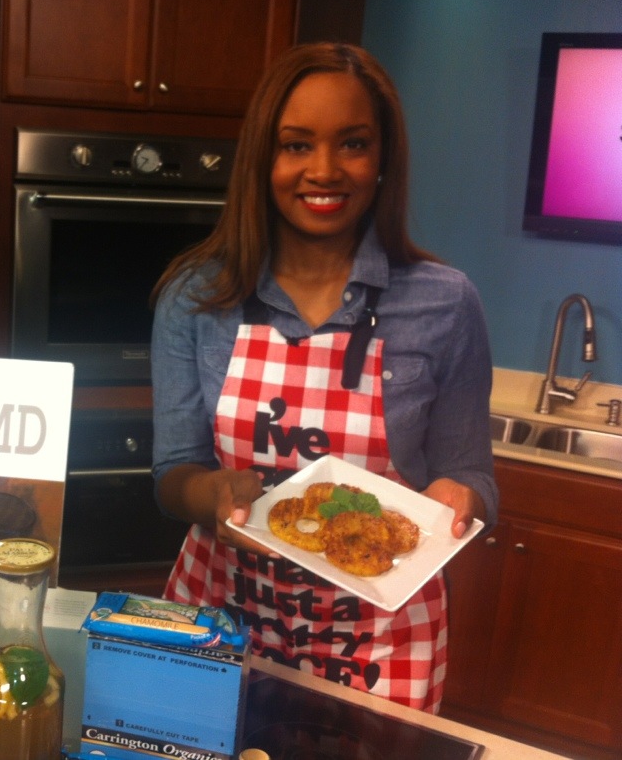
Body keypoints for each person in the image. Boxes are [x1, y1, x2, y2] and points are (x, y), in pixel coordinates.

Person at [149, 42, 497, 714]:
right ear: (263, 158)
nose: (325, 169)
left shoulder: (447, 303)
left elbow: (471, 475)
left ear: (383, 159)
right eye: (296, 145)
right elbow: (172, 474)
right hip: (221, 619)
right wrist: (211, 492)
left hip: (381, 644)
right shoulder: (195, 297)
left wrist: (461, 498)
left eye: (354, 144)